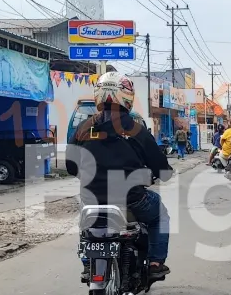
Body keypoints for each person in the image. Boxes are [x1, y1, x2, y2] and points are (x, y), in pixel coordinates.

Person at [67, 72, 173, 279]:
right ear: (126, 96)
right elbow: (163, 170)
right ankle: (155, 263)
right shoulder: (136, 129)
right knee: (160, 215)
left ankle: (88, 263)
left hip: (92, 198)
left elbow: (71, 166)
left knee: (86, 223)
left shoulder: (83, 127)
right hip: (132, 199)